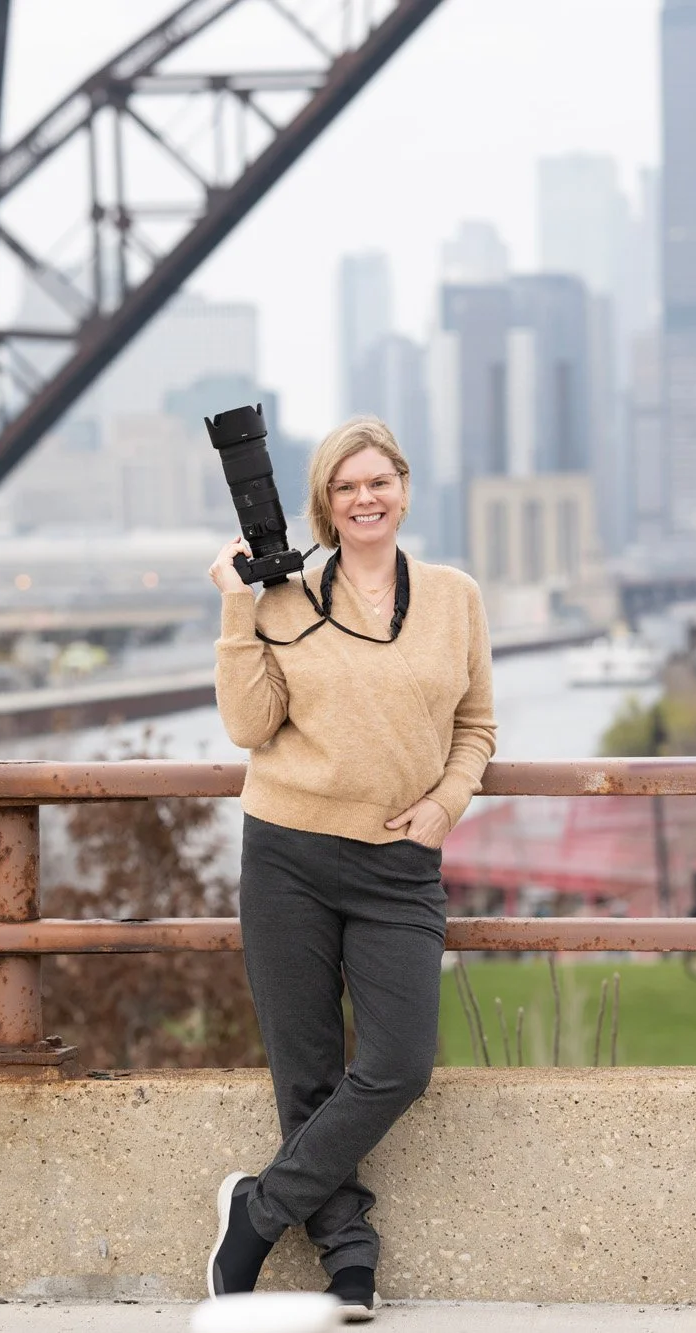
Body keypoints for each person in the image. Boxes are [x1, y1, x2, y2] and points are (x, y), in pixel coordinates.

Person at [203, 416, 496, 1321]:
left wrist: (443, 805)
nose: (364, 498)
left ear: (404, 489)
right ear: (326, 505)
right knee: (308, 1071)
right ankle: (349, 1253)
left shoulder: (454, 597)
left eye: (379, 481)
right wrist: (236, 604)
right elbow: (249, 728)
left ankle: (253, 1214)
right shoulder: (286, 598)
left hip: (399, 864)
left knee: (400, 1063)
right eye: (345, 486)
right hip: (287, 850)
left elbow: (476, 728)